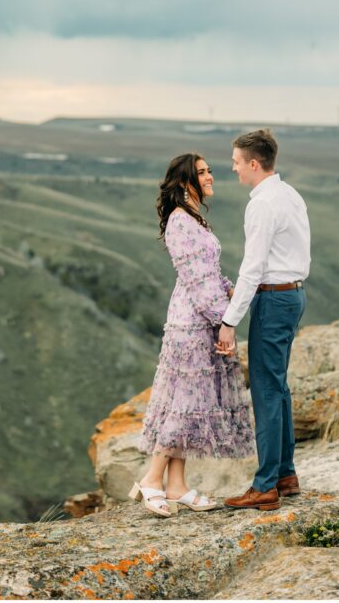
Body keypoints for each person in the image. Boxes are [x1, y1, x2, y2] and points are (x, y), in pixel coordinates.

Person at [133, 153, 254, 517]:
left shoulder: (192, 219)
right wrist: (225, 322)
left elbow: (209, 273)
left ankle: (176, 484)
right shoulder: (180, 222)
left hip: (199, 315)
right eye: (202, 173)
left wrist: (230, 290)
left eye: (209, 170)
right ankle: (152, 479)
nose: (210, 176)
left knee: (189, 399)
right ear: (185, 181)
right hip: (192, 322)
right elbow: (197, 281)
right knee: (185, 403)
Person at [217, 129, 311, 512]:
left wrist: (229, 321)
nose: (234, 168)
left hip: (273, 300)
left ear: (254, 164)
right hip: (293, 294)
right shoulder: (289, 194)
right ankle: (286, 474)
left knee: (267, 390)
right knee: (279, 386)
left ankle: (265, 485)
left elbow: (252, 267)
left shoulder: (261, 204)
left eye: (237, 162)